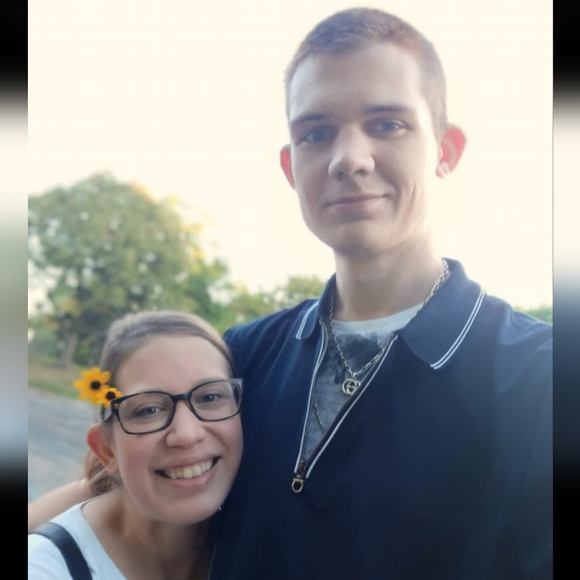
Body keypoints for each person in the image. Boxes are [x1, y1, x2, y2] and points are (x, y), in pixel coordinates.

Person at [28, 8, 552, 579]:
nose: (349, 159)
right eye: (316, 133)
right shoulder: (245, 355)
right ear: (290, 166)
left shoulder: (540, 381)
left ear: (446, 151)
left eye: (387, 124)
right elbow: (128, 480)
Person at [28, 311, 243, 579]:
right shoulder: (46, 569)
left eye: (210, 397)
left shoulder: (265, 545)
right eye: (149, 410)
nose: (187, 434)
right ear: (106, 450)